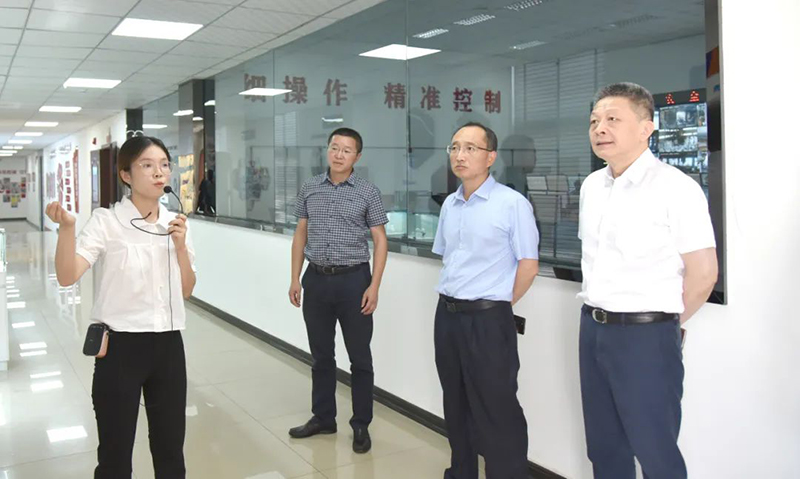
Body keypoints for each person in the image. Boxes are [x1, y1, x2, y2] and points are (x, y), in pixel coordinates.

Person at [578, 82, 718, 479]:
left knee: (655, 450)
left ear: (646, 128)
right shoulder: (592, 186)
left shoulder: (676, 187)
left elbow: (704, 273)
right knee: (604, 447)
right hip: (592, 328)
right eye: (594, 120)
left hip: (645, 336)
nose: (600, 128)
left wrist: (662, 322)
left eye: (612, 119)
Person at [47, 135, 197, 479]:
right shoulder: (106, 222)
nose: (159, 173)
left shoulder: (176, 224)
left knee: (171, 452)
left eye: (164, 165)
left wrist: (180, 246)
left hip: (169, 347)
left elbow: (187, 290)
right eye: (147, 165)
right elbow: (67, 275)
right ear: (126, 175)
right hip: (119, 349)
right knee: (114, 456)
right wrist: (67, 228)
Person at [432, 122, 540, 479]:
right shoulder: (450, 205)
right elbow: (449, 257)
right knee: (455, 401)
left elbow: (528, 265)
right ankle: (461, 472)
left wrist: (498, 305)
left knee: (497, 407)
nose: (459, 155)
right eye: (454, 147)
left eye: (470, 148)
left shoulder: (512, 204)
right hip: (447, 315)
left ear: (490, 157)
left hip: (488, 318)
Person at [287, 127, 388, 454]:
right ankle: (323, 418)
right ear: (327, 150)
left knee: (360, 358)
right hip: (316, 279)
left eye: (346, 150)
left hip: (353, 281)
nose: (339, 154)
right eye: (334, 147)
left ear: (357, 156)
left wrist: (374, 285)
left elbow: (380, 241)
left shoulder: (368, 192)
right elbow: (300, 233)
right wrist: (295, 278)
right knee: (321, 356)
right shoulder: (310, 187)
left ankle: (361, 424)